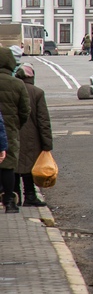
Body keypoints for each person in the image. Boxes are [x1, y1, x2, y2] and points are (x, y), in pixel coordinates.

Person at [0, 48, 31, 213]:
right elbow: (25, 110)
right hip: (10, 128)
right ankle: (9, 201)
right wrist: (16, 124)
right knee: (8, 166)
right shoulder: (17, 84)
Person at [16, 65, 52, 207]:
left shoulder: (12, 90)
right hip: (32, 136)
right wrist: (47, 144)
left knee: (14, 165)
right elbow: (43, 120)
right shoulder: (37, 92)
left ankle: (14, 195)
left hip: (12, 133)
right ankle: (30, 196)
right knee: (30, 167)